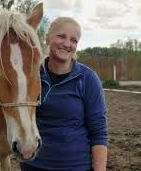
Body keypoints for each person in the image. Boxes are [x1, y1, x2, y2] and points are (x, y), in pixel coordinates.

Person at [20, 17, 108, 171]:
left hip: (75, 166)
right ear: (46, 39)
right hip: (33, 165)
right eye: (61, 36)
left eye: (73, 40)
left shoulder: (87, 79)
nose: (67, 44)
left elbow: (98, 131)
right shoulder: (31, 76)